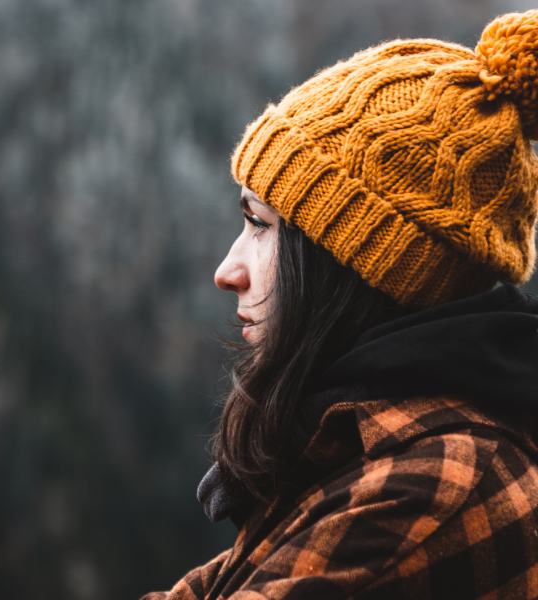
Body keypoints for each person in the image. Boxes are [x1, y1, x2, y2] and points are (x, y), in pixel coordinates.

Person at [142, 10, 538, 600]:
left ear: (362, 264)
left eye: (259, 224)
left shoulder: (429, 492)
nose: (227, 272)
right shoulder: (359, 446)